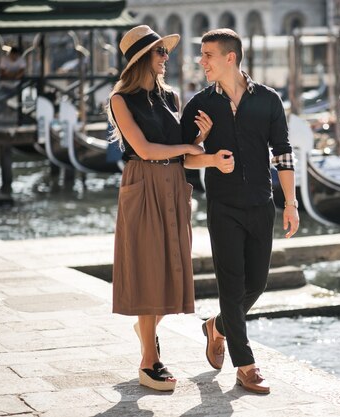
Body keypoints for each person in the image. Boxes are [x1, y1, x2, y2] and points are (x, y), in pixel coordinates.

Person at [181, 28, 299, 395]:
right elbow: (182, 155)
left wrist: (290, 203)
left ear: (230, 57)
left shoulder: (268, 100)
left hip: (261, 203)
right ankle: (245, 365)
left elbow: (283, 152)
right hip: (223, 206)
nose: (202, 62)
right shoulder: (201, 104)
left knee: (257, 283)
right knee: (231, 288)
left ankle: (216, 326)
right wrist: (210, 156)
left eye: (208, 55)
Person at [106, 25, 212, 392]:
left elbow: (184, 150)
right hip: (142, 182)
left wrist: (200, 140)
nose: (166, 57)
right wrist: (189, 149)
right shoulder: (121, 99)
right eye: (159, 52)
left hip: (172, 186)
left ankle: (146, 329)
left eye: (165, 52)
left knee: (171, 269)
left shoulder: (170, 96)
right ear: (142, 59)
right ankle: (148, 360)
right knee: (148, 267)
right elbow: (146, 149)